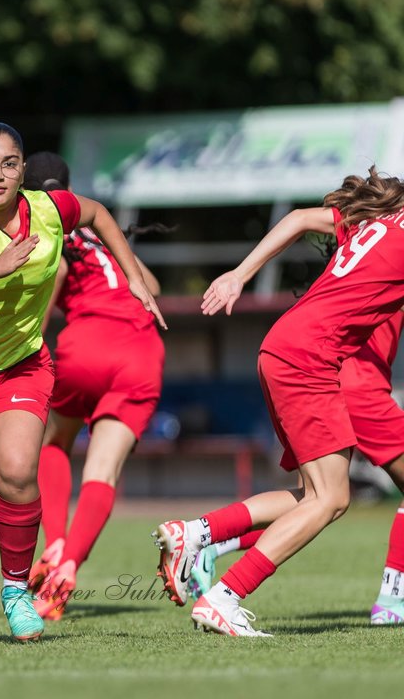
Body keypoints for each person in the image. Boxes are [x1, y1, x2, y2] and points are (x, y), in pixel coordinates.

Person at [0, 123, 163, 642]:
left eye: (10, 163)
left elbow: (99, 214)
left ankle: (17, 593)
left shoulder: (48, 210)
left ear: (23, 171)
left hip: (18, 367)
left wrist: (131, 273)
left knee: (17, 471)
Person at [155, 167, 404, 636]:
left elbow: (294, 219)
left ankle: (199, 535)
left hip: (286, 345)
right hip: (310, 357)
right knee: (331, 498)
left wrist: (238, 276)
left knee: (316, 495)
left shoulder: (380, 220)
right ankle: (223, 598)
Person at [177, 299, 404, 626]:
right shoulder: (387, 267)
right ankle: (391, 601)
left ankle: (206, 538)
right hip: (360, 390)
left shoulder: (348, 268)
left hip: (321, 380)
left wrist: (244, 271)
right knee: (326, 500)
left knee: (310, 500)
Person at [21, 152, 165, 620]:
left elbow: (59, 273)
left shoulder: (39, 224)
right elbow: (153, 286)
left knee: (53, 440)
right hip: (141, 353)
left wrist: (30, 340)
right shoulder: (97, 229)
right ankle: (69, 566)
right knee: (102, 471)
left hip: (86, 346)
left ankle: (55, 540)